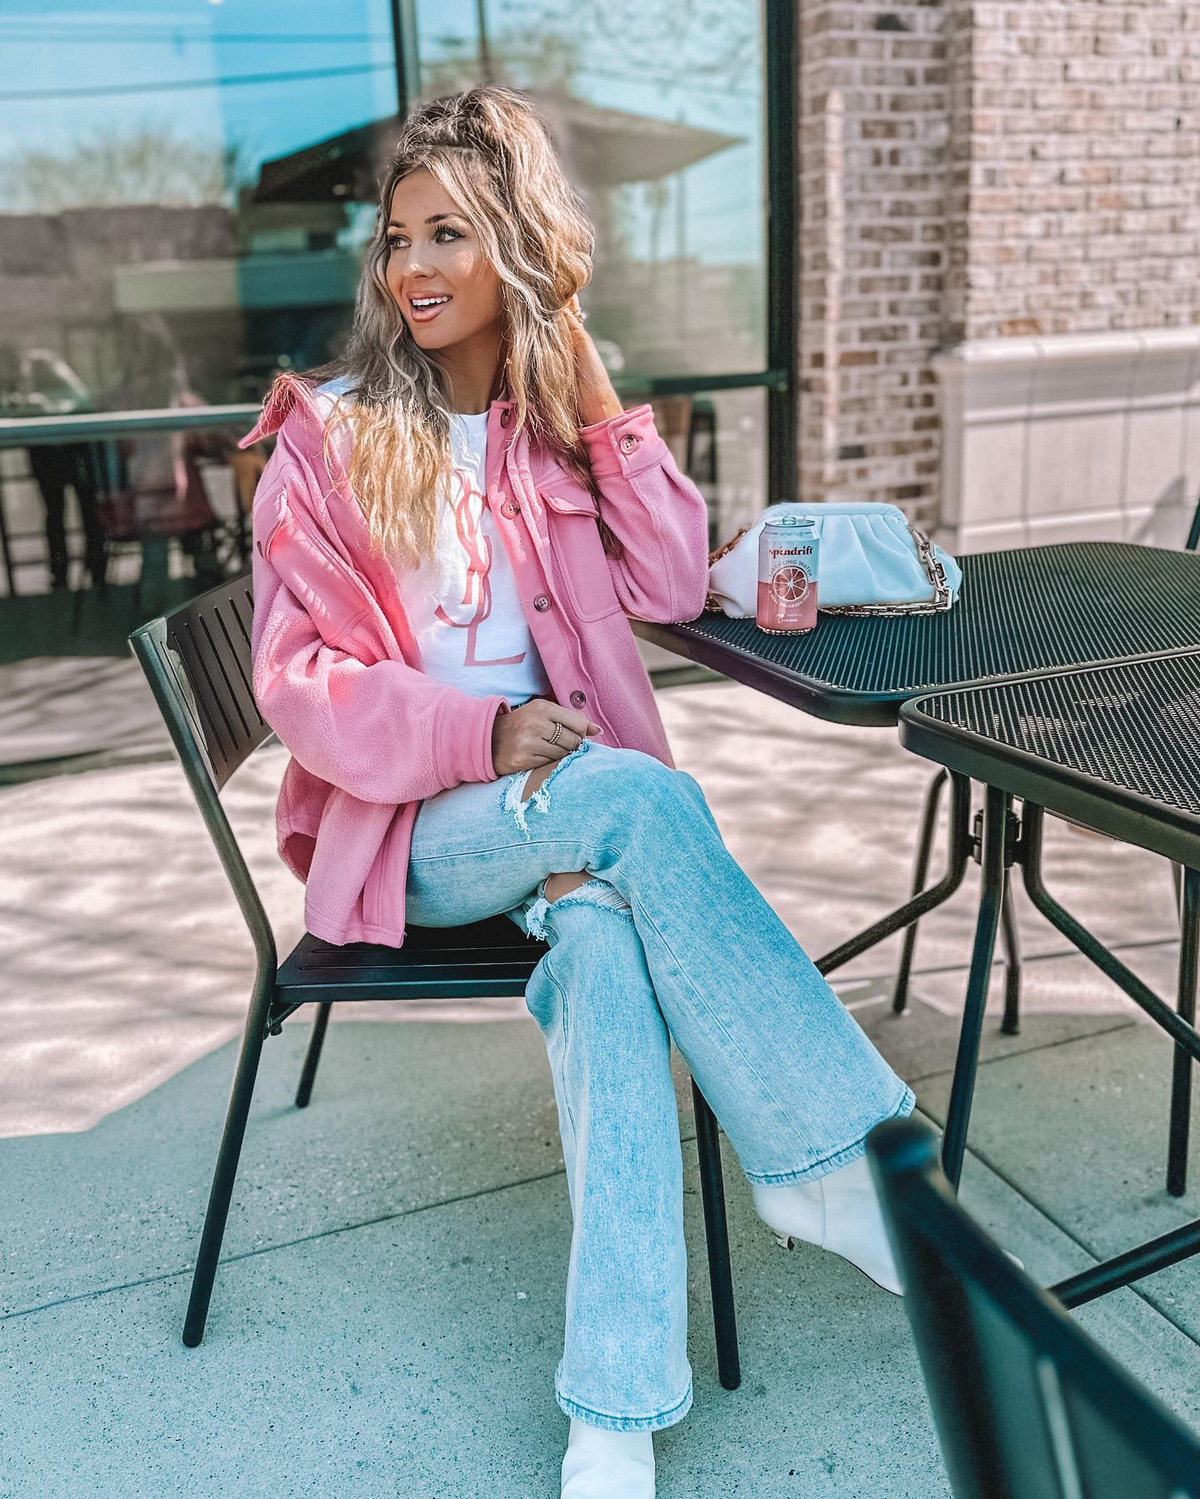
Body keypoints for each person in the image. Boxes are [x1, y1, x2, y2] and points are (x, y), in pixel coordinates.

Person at [245, 86, 916, 1499]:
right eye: (396, 238)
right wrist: (483, 735)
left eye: (452, 235)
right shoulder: (330, 435)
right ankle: (818, 1154)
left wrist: (591, 383)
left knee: (608, 941)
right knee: (632, 801)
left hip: (566, 821)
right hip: (413, 836)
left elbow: (672, 580)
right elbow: (299, 687)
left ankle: (612, 1412)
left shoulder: (553, 431)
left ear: (517, 255)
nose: (413, 268)